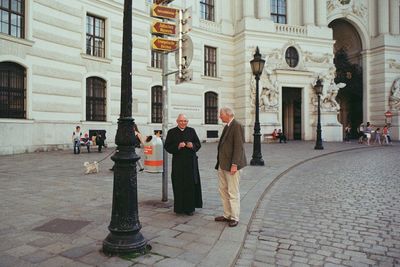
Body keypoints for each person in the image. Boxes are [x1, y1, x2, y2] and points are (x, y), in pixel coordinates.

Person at [164, 114, 203, 216]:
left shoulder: (191, 131)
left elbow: (198, 144)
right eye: (181, 121)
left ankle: (190, 208)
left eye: (185, 121)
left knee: (190, 185)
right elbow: (167, 146)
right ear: (177, 121)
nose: (183, 123)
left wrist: (192, 145)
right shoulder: (171, 132)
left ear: (187, 122)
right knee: (178, 184)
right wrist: (177, 146)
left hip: (191, 163)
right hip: (178, 163)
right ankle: (179, 208)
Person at [214, 107, 246, 227]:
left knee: (233, 192)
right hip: (223, 165)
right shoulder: (227, 125)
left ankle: (234, 217)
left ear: (228, 114)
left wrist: (234, 165)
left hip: (232, 166)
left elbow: (239, 147)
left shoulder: (236, 125)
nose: (219, 117)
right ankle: (227, 214)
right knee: (223, 190)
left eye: (221, 114)